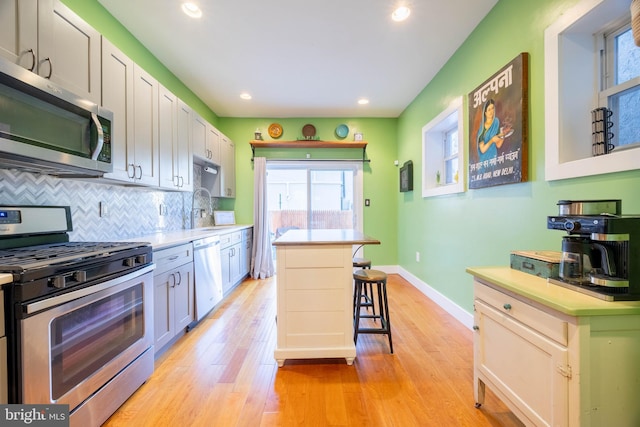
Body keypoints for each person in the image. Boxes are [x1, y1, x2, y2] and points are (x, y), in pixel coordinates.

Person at [476, 99, 506, 163]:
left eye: (492, 108)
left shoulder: (496, 122)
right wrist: (492, 140)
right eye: (489, 109)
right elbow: (483, 150)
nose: (491, 111)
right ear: (485, 113)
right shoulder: (482, 129)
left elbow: (498, 145)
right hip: (484, 163)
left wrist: (504, 134)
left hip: (494, 160)